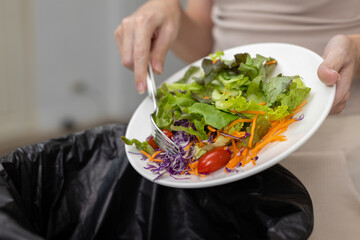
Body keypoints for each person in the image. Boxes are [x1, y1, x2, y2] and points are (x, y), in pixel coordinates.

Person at [115, 0, 360, 238]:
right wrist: (171, 12)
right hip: (224, 175)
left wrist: (354, 50)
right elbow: (203, 45)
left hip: (328, 146)